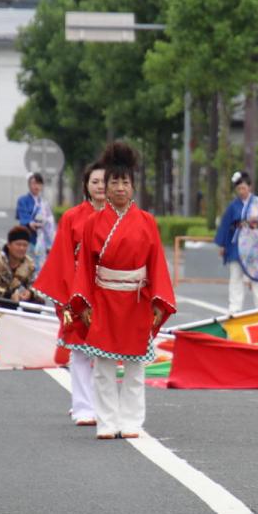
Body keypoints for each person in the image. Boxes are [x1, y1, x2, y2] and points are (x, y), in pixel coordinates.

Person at [70, 142, 176, 440]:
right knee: (103, 365)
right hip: (103, 298)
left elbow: (156, 263)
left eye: (124, 182)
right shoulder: (92, 223)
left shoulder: (146, 222)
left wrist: (158, 301)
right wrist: (86, 301)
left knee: (134, 364)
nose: (119, 187)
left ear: (133, 186)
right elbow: (85, 268)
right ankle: (106, 421)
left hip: (137, 299)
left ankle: (131, 421)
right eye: (113, 181)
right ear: (105, 185)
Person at [34, 161, 107, 426]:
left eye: (104, 181)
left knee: (106, 353)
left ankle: (103, 403)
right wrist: (69, 294)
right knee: (79, 350)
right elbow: (63, 256)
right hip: (78, 291)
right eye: (95, 181)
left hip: (110, 292)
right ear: (86, 186)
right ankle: (83, 406)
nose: (100, 186)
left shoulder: (120, 217)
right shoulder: (73, 217)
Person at [215, 171, 258, 314]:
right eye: (239, 189)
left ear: (249, 187)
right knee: (235, 277)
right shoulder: (233, 206)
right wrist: (223, 245)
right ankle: (234, 308)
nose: (241, 191)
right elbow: (226, 225)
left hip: (254, 246)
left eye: (244, 188)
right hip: (236, 245)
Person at [17, 172, 56, 272]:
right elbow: (22, 215)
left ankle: (36, 287)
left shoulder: (44, 203)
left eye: (39, 183)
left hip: (42, 240)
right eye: (33, 183)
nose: (36, 186)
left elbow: (50, 221)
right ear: (29, 185)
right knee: (26, 267)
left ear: (42, 186)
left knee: (40, 267)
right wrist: (30, 223)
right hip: (27, 238)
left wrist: (50, 242)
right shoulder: (23, 200)